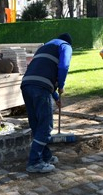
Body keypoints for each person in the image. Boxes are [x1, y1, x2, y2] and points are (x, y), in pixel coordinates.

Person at [21, 33, 73, 173]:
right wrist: (61, 85)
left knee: (36, 124)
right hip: (40, 87)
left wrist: (56, 97)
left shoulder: (44, 47)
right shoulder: (65, 46)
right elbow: (64, 66)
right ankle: (34, 162)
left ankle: (46, 156)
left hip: (26, 85)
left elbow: (40, 72)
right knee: (45, 125)